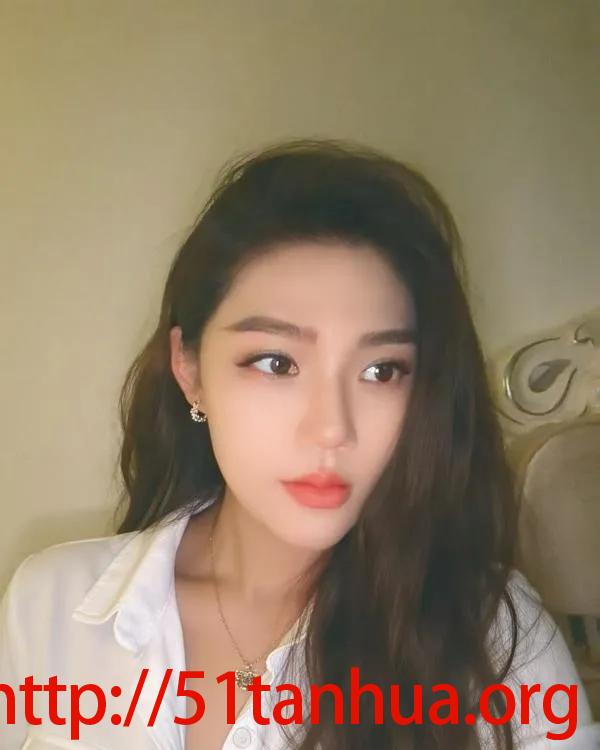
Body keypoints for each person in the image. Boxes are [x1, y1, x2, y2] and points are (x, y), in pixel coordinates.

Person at [0, 139, 598, 750]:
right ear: (190, 369)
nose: (332, 429)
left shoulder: (495, 637)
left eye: (381, 371)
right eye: (276, 362)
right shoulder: (51, 606)